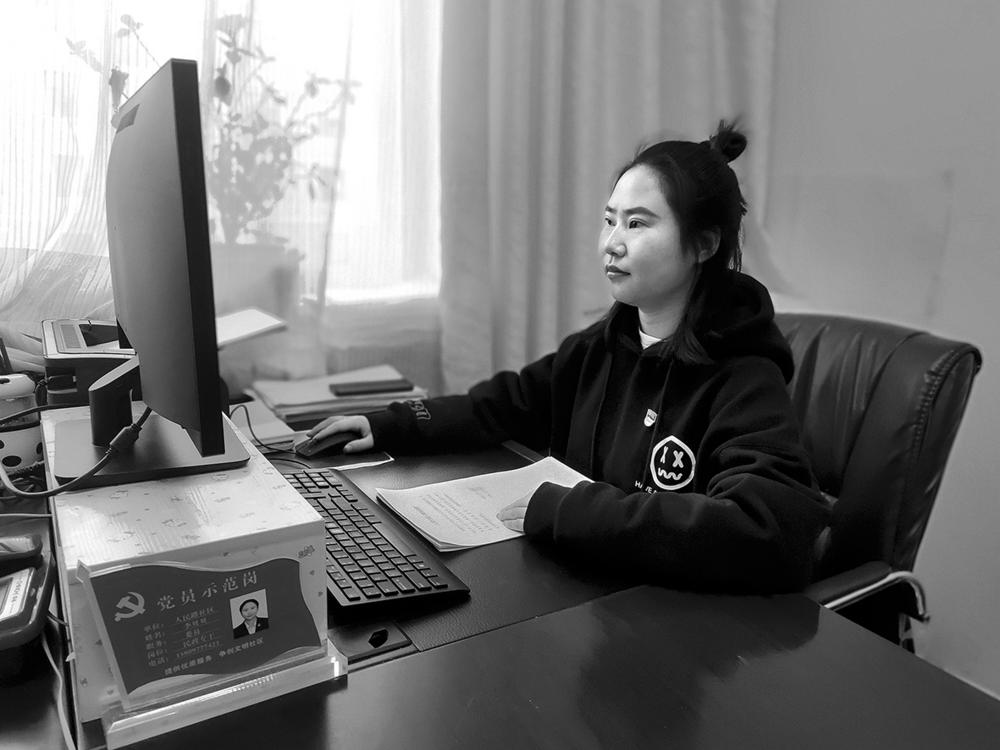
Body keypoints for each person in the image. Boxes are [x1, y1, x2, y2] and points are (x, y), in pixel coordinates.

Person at [307, 120, 831, 593]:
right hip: (584, 592)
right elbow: (507, 404)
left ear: (704, 245)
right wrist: (390, 424)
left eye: (638, 224)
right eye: (610, 220)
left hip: (677, 625)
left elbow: (772, 531)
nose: (612, 244)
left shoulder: (743, 373)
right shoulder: (604, 345)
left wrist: (573, 511)